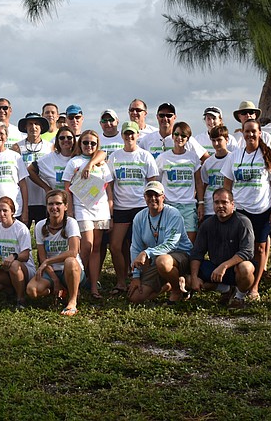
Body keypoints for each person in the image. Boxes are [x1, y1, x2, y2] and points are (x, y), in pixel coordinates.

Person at [221, 120, 271, 300]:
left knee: (260, 249)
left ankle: (255, 286)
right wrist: (228, 205)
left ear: (260, 133)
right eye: (247, 131)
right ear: (243, 133)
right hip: (240, 210)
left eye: (254, 131)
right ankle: (236, 283)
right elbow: (227, 182)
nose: (250, 135)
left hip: (262, 209)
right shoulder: (235, 155)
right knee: (237, 248)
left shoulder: (267, 154)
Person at [106, 121, 159, 294]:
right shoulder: (114, 156)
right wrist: (111, 207)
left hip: (141, 207)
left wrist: (152, 207)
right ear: (122, 135)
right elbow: (110, 185)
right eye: (126, 133)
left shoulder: (145, 156)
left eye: (132, 133)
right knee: (114, 246)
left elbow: (153, 183)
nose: (129, 136)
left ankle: (143, 280)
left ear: (137, 135)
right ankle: (121, 281)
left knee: (143, 245)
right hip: (121, 207)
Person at [63, 129, 113, 299]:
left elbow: (109, 189)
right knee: (87, 246)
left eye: (92, 143)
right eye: (85, 142)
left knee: (98, 248)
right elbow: (67, 189)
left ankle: (93, 285)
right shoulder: (74, 162)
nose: (89, 146)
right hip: (82, 208)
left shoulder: (102, 163)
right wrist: (69, 211)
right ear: (80, 144)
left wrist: (111, 211)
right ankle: (78, 278)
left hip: (101, 209)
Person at [189, 188, 255, 308]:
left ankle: (239, 297)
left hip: (235, 269)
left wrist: (224, 266)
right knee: (188, 277)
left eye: (224, 202)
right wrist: (194, 277)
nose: (220, 206)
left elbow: (247, 252)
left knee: (246, 268)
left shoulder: (243, 222)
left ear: (232, 204)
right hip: (216, 269)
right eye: (216, 202)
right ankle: (226, 290)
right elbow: (197, 253)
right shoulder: (207, 224)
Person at [128, 182, 192, 304]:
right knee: (136, 298)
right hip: (157, 259)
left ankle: (177, 291)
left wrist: (146, 253)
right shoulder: (139, 217)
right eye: (149, 195)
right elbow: (135, 247)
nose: (153, 198)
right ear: (144, 197)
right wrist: (135, 276)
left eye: (156, 195)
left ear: (163, 197)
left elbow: (171, 244)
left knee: (162, 261)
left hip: (180, 256)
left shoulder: (173, 214)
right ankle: (169, 284)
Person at [26, 190, 84, 316]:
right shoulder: (40, 226)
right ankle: (60, 288)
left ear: (66, 206)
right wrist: (55, 279)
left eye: (58, 204)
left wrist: (48, 261)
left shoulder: (71, 223)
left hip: (71, 269)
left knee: (70, 261)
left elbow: (73, 252)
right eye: (50, 204)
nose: (54, 207)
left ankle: (72, 301)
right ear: (46, 206)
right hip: (50, 271)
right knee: (32, 290)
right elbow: (42, 257)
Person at [0, 196, 36, 310]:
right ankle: (11, 290)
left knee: (14, 265)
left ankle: (21, 299)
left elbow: (26, 255)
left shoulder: (21, 228)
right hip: (6, 269)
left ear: (12, 212)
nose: (2, 213)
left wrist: (14, 256)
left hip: (24, 269)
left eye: (5, 210)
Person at [155, 121, 203, 241]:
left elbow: (198, 182)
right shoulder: (163, 158)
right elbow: (157, 183)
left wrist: (201, 203)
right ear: (172, 136)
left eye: (183, 135)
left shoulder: (193, 157)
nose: (179, 138)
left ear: (188, 138)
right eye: (176, 134)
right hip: (169, 205)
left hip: (188, 205)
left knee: (189, 243)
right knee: (167, 241)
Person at [13, 112, 52, 225]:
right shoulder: (16, 147)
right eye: (30, 124)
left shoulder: (50, 147)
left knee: (43, 234)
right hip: (25, 199)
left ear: (41, 127)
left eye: (36, 124)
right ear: (25, 127)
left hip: (44, 198)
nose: (33, 127)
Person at [140, 103, 208, 161]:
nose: (165, 119)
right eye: (162, 115)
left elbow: (205, 157)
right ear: (157, 117)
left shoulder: (184, 139)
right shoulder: (147, 139)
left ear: (174, 117)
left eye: (169, 115)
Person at [29, 126, 77, 194]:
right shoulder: (50, 158)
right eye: (62, 138)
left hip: (76, 201)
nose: (66, 140)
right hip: (57, 200)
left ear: (74, 140)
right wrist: (46, 188)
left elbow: (97, 153)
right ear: (57, 140)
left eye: (69, 137)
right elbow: (30, 170)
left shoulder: (79, 157)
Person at [198, 125, 231, 219]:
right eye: (213, 140)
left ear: (226, 139)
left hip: (227, 208)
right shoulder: (208, 162)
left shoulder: (233, 159)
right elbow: (204, 184)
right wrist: (201, 204)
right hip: (210, 208)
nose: (216, 143)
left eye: (219, 140)